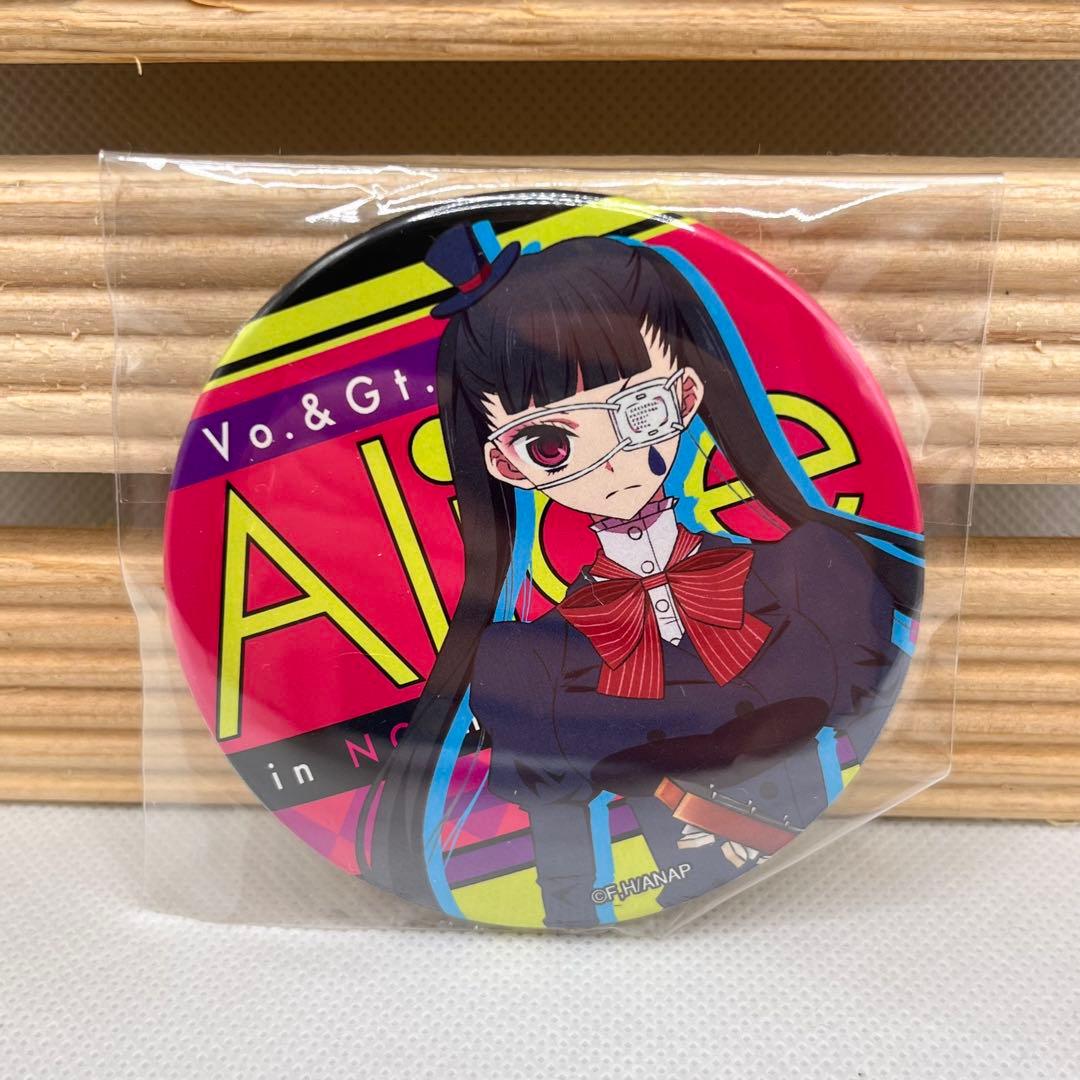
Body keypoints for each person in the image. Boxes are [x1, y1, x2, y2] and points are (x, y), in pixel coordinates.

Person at [358, 217, 922, 928]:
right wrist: (574, 916)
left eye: (640, 410)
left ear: (685, 398)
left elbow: (855, 730)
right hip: (668, 902)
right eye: (551, 443)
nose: (615, 462)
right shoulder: (534, 666)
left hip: (822, 897)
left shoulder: (807, 579)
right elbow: (564, 857)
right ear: (505, 464)